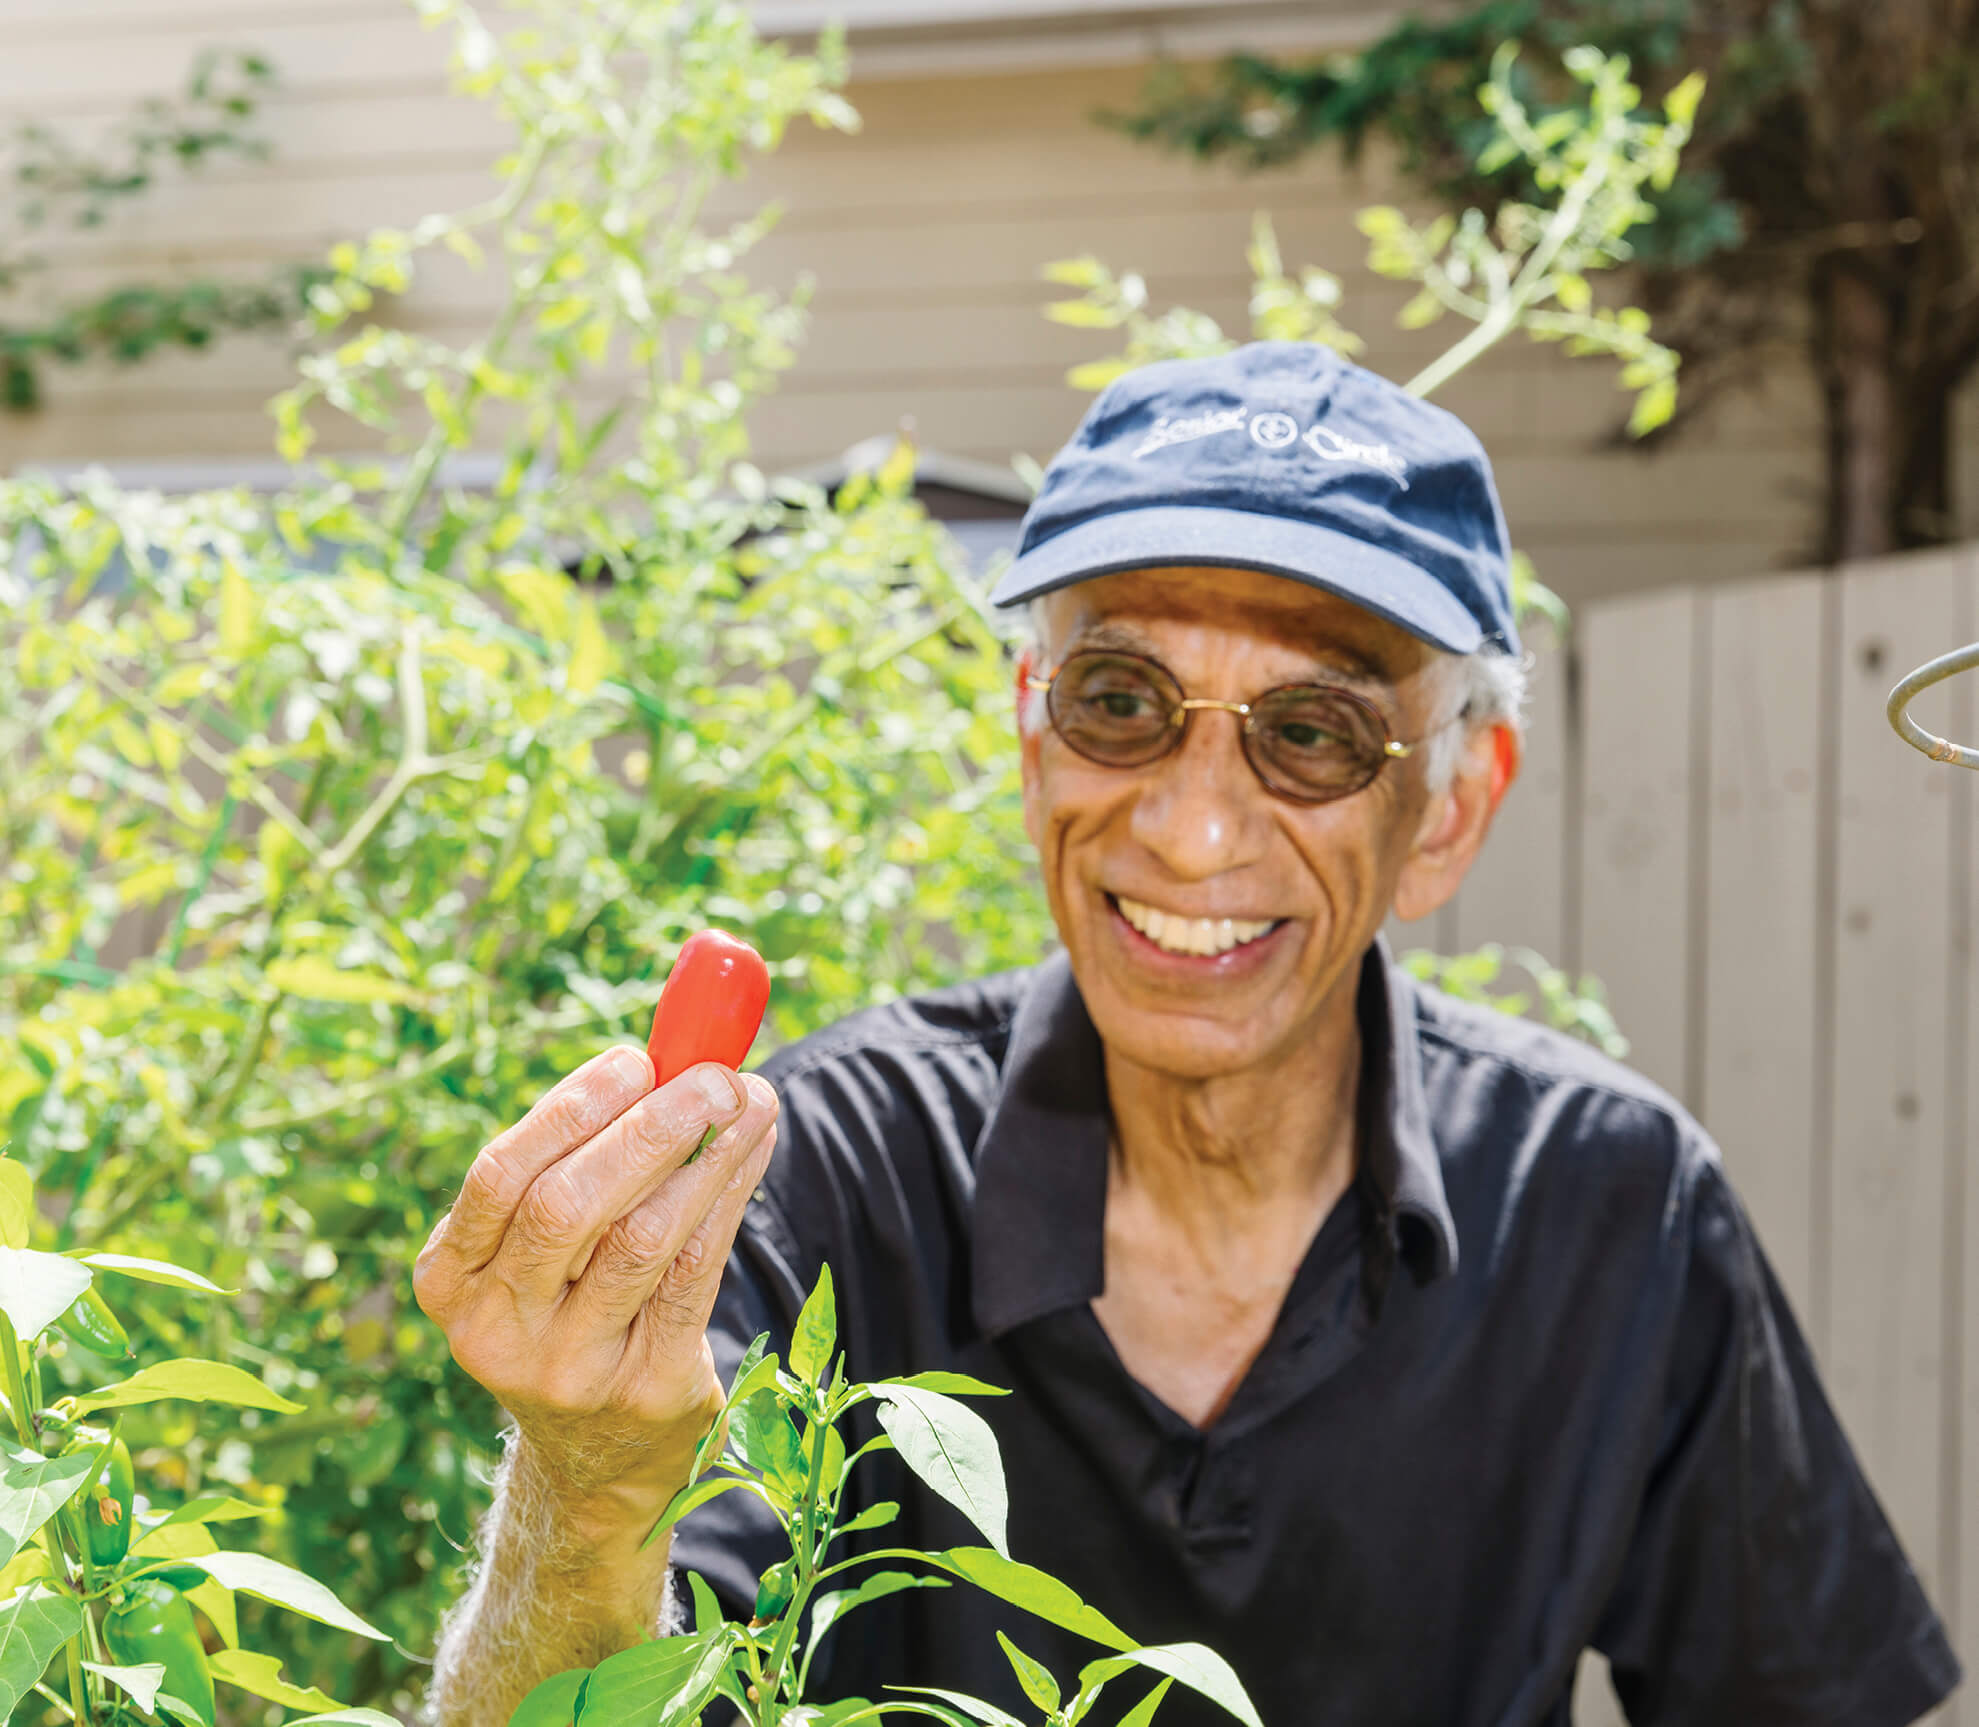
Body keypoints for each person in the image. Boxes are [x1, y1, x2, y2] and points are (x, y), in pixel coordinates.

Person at [414, 342, 1960, 1726]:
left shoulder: (1611, 1205)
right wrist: (588, 1498)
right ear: (1030, 733)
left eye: (1311, 732)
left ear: (1453, 810)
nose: (1194, 827)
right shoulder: (820, 1178)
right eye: (1119, 698)